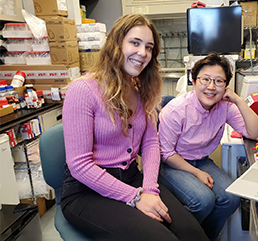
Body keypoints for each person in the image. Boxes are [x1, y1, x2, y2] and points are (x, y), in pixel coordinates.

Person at [61, 13, 209, 241]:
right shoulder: (83, 90)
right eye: (135, 43)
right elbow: (79, 165)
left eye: (149, 47)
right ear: (116, 44)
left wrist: (149, 189)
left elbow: (150, 144)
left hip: (131, 178)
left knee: (193, 234)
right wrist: (135, 197)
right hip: (86, 192)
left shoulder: (140, 89)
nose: (143, 53)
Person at [158, 53, 258, 240]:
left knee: (231, 198)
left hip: (201, 160)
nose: (211, 87)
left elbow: (256, 133)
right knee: (203, 201)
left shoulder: (225, 106)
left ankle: (204, 237)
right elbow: (166, 153)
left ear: (226, 86)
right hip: (171, 163)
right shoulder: (176, 110)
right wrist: (196, 173)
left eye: (219, 81)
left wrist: (239, 100)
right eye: (205, 79)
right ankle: (175, 236)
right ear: (194, 80)